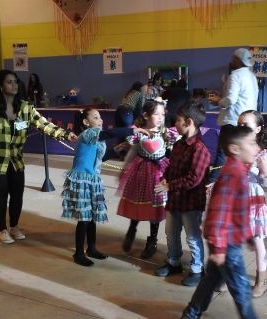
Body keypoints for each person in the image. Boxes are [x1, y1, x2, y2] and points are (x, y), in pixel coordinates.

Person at [178, 125, 267, 319]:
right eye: (252, 143)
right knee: (241, 288)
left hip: (228, 240)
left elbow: (237, 211)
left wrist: (247, 235)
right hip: (226, 244)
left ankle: (191, 315)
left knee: (211, 280)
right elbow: (219, 213)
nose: (256, 148)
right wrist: (219, 248)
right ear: (235, 149)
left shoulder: (239, 171)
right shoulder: (232, 175)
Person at [0, 69, 76, 244]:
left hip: (15, 160)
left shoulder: (25, 108)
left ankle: (14, 227)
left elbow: (44, 124)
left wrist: (66, 134)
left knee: (17, 195)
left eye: (15, 81)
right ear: (0, 86)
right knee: (1, 195)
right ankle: (2, 229)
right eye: (9, 82)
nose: (14, 85)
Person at [62, 107, 142, 266]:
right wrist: (134, 130)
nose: (101, 120)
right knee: (84, 218)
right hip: (82, 179)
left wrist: (117, 149)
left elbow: (100, 158)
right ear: (86, 122)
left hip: (91, 178)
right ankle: (78, 253)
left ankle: (91, 248)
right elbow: (110, 133)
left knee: (91, 217)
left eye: (100, 117)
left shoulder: (94, 138)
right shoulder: (88, 134)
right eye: (96, 117)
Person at [154, 100, 211, 288]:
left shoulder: (199, 149)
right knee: (171, 232)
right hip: (175, 200)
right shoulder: (179, 144)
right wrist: (165, 178)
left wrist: (170, 186)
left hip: (190, 202)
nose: (175, 124)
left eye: (177, 121)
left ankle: (197, 269)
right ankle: (173, 262)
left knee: (192, 237)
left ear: (189, 122)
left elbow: (194, 178)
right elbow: (171, 166)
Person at [118, 99, 177, 259]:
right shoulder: (138, 132)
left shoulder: (167, 133)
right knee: (138, 201)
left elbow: (173, 152)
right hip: (141, 171)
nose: (160, 117)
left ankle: (152, 240)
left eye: (162, 114)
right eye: (156, 114)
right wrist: (125, 167)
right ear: (145, 115)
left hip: (159, 172)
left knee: (155, 205)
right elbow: (133, 151)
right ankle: (132, 229)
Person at [236, 110, 267, 298]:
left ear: (258, 128)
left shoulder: (264, 154)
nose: (241, 127)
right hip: (235, 198)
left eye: (245, 124)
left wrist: (265, 170)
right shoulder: (236, 148)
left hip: (253, 199)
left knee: (257, 239)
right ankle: (228, 276)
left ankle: (262, 279)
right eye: (239, 124)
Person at [209, 48, 259, 181]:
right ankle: (238, 180)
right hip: (248, 120)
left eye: (233, 58)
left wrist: (218, 101)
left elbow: (231, 99)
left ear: (237, 60)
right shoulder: (252, 76)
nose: (231, 61)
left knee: (223, 152)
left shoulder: (235, 75)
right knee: (240, 154)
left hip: (232, 120)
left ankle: (211, 182)